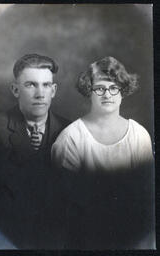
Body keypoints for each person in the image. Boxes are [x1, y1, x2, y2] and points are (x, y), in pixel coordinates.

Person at [51, 57, 155, 249]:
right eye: (99, 88)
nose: (107, 94)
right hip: (84, 237)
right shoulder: (71, 138)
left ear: (123, 91)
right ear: (88, 91)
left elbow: (145, 197)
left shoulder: (139, 135)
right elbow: (66, 203)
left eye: (114, 87)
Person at [0, 54, 70, 249]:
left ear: (53, 90)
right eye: (31, 85)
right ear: (15, 90)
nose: (40, 94)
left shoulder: (70, 131)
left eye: (46, 85)